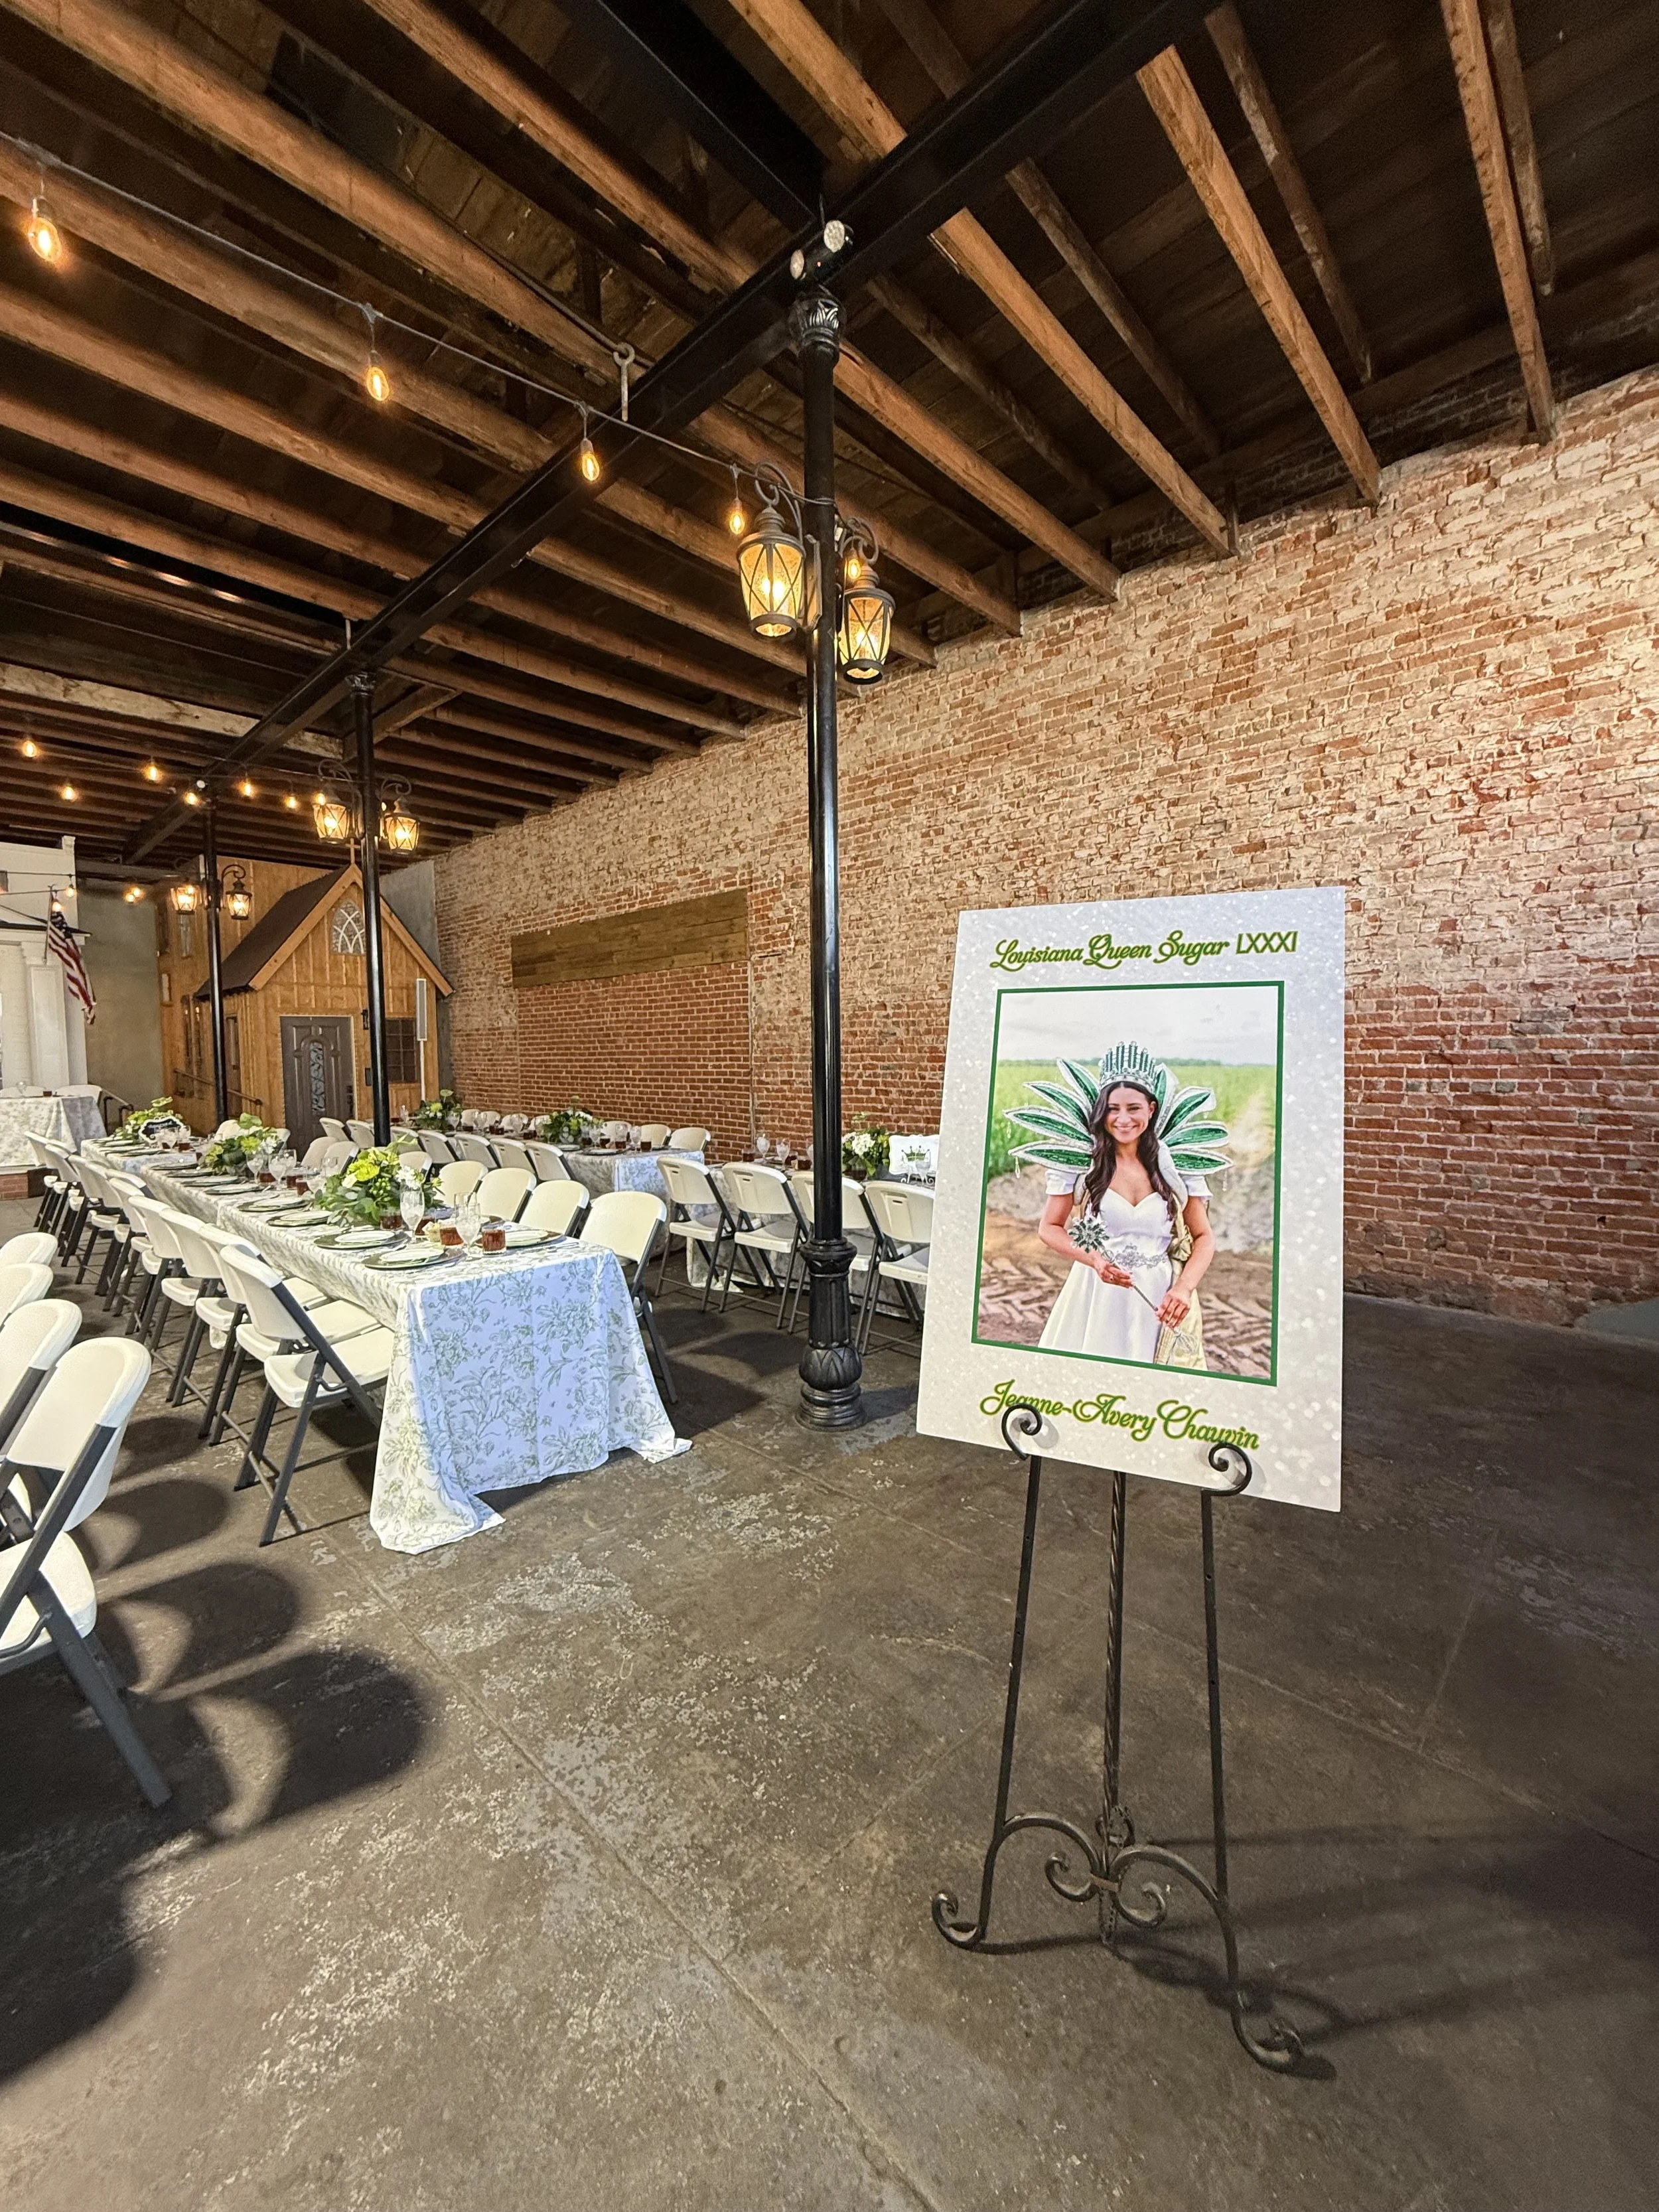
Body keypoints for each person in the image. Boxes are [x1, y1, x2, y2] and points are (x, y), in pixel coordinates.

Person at [1035, 1075, 1215, 1364]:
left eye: (1133, 1108)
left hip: (1159, 1293)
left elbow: (1204, 1238)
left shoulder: (1176, 1168)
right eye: (1112, 1109)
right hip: (1096, 1291)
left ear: (1151, 1110)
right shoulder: (1084, 1163)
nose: (1123, 1119)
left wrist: (1183, 1289)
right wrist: (1095, 1260)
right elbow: (1049, 1228)